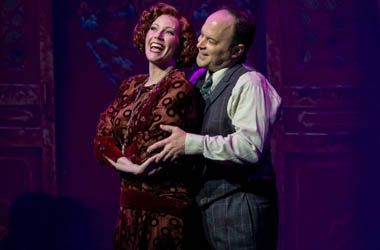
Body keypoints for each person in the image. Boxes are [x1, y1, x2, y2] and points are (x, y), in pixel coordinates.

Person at [148, 7, 282, 250]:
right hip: (203, 213)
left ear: (236, 51)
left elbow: (250, 147)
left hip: (238, 213)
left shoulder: (250, 83)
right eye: (201, 36)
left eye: (211, 41)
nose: (199, 44)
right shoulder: (198, 78)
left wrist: (190, 143)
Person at [93, 3, 203, 249]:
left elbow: (148, 149)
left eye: (168, 32)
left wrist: (120, 157)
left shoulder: (180, 86)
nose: (158, 36)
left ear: (180, 43)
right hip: (129, 211)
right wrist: (130, 167)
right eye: (154, 29)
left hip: (164, 215)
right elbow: (101, 139)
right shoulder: (131, 85)